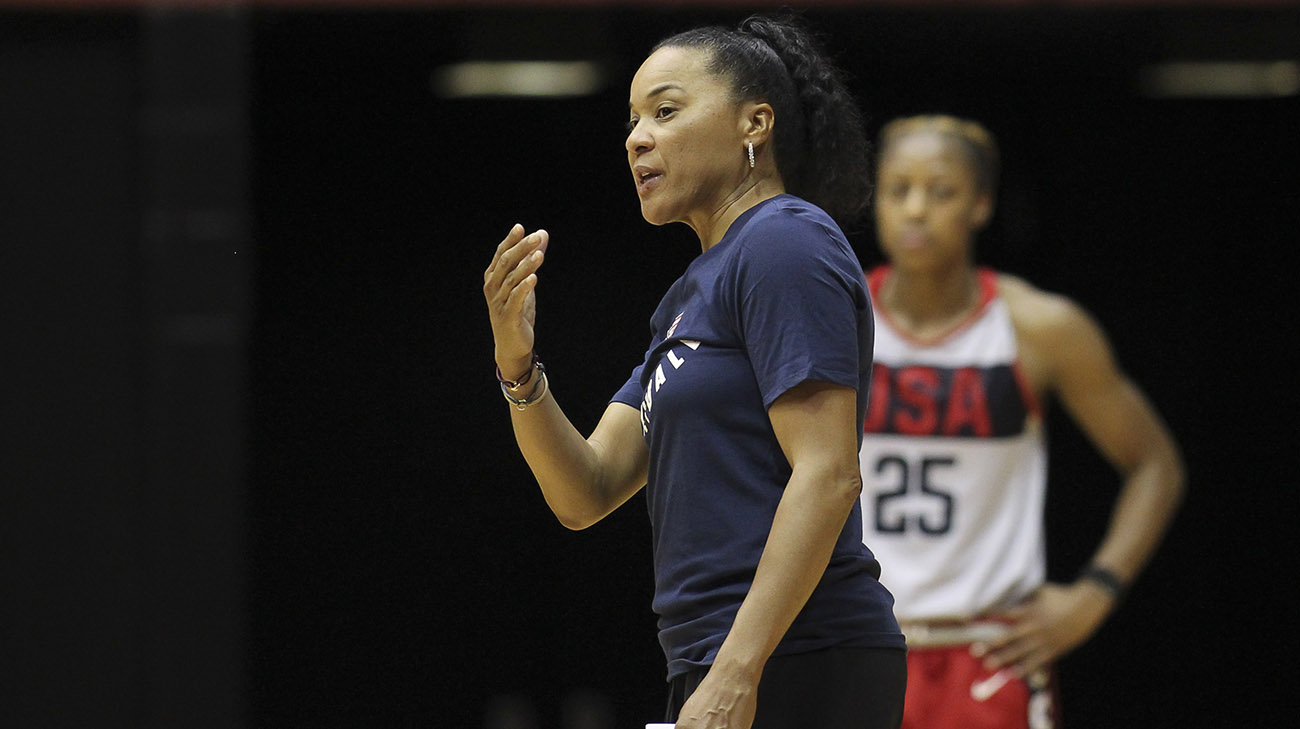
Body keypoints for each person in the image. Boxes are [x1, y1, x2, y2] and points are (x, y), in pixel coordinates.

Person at [483, 14, 907, 729]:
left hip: (798, 655)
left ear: (755, 124)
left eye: (667, 110)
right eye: (633, 120)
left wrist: (740, 668)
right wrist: (516, 365)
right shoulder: (688, 296)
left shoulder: (784, 243)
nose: (636, 138)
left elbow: (829, 473)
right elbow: (583, 491)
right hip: (717, 656)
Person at [857, 114, 1186, 729]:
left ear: (981, 206)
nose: (917, 209)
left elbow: (1155, 464)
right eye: (898, 189)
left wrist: (1095, 595)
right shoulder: (832, 321)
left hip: (987, 649)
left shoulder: (1040, 327)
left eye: (942, 190)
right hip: (857, 645)